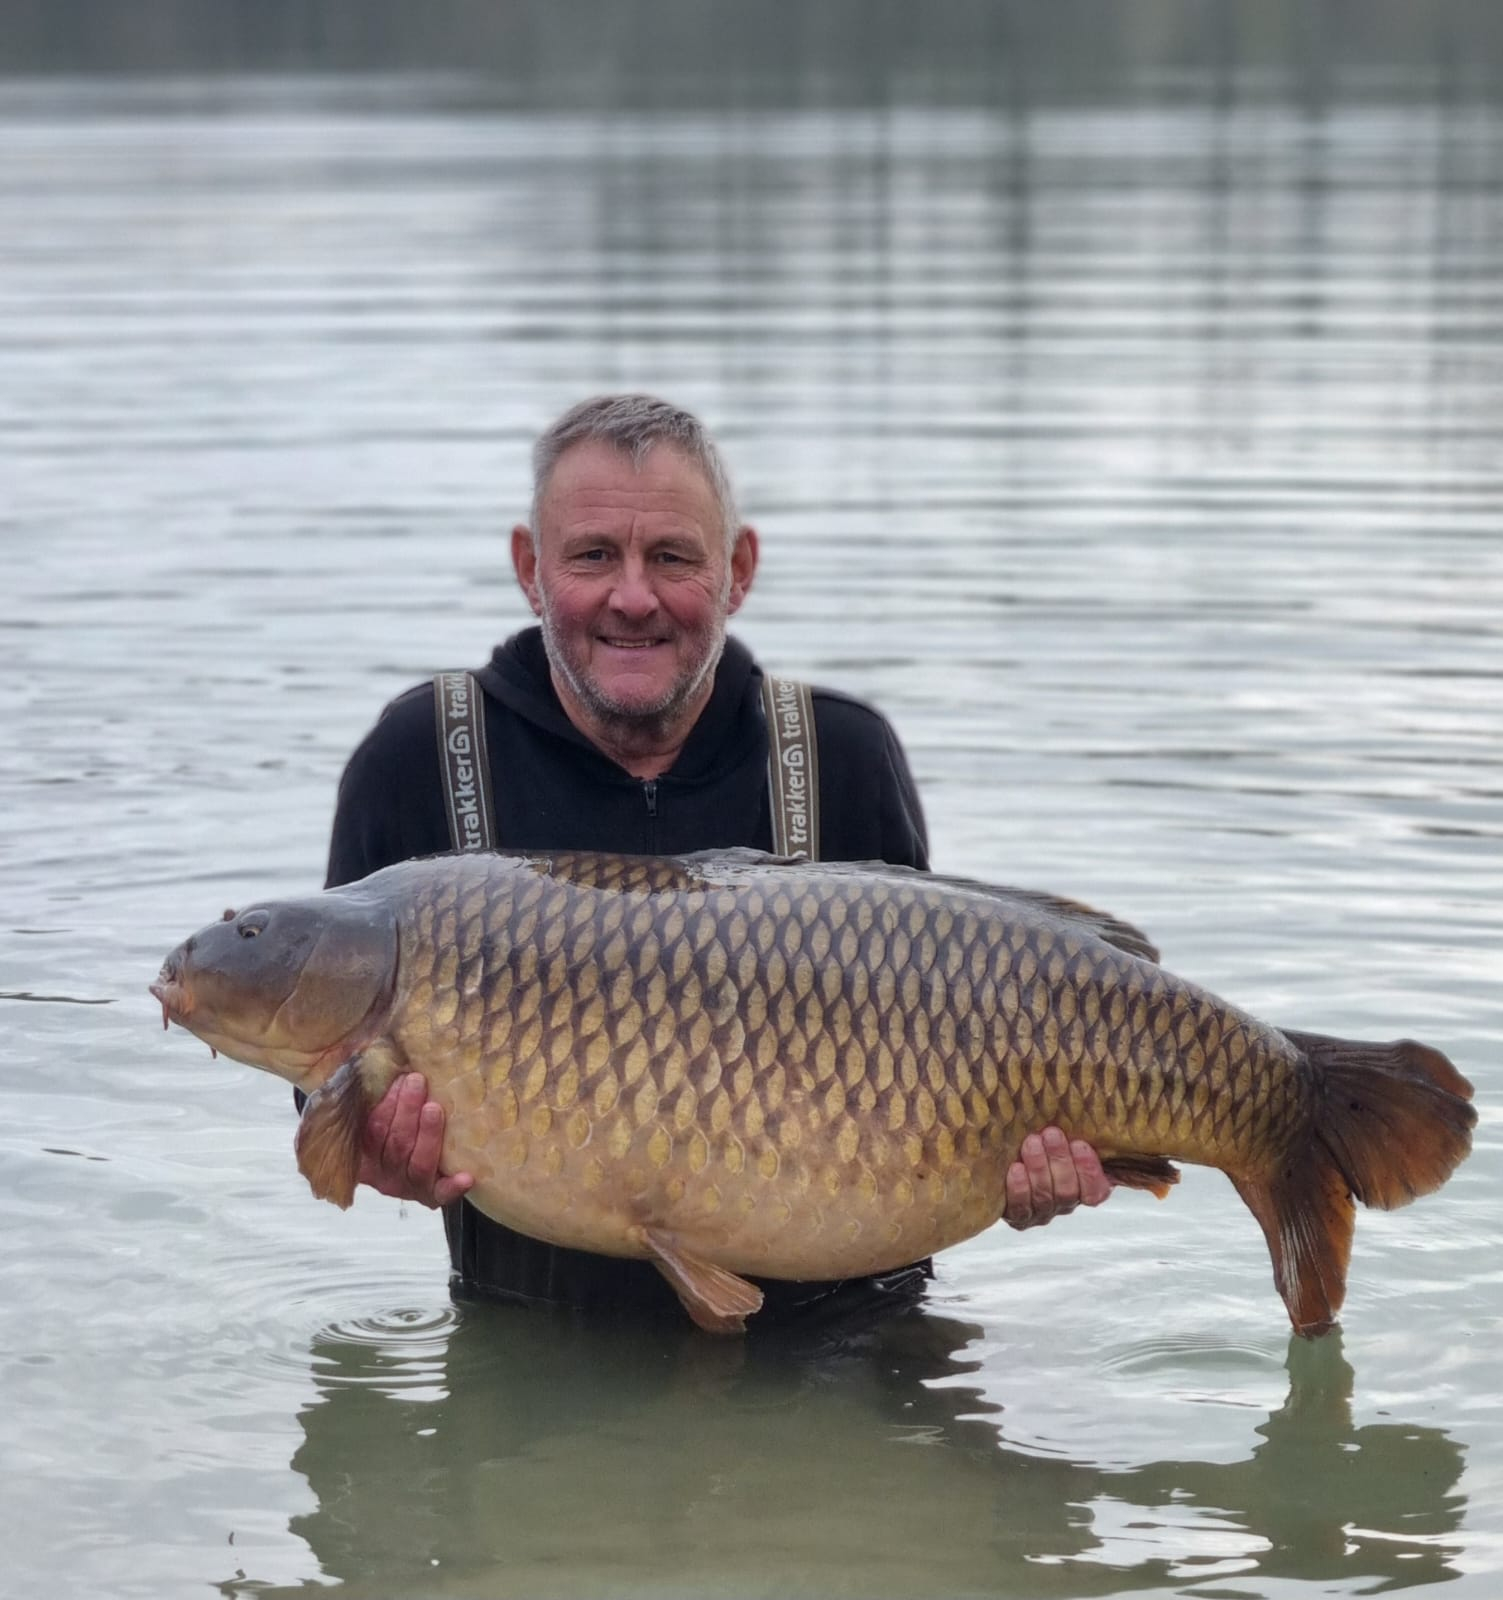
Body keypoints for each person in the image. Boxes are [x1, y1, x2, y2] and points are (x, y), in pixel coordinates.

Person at [321, 393, 1113, 1322]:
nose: (632, 597)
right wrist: (376, 1153)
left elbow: (940, 1047)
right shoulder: (418, 759)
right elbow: (323, 1088)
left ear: (737, 570)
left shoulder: (840, 755)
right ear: (530, 569)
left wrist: (1016, 1172)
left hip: (847, 1342)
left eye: (671, 557)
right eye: (591, 556)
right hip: (534, 1342)